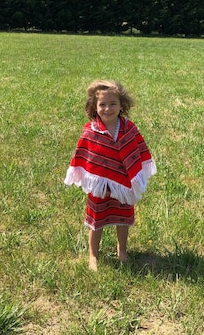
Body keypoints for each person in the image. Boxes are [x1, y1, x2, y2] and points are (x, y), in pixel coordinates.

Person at [64, 80, 156, 270]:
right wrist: (96, 182)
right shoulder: (91, 131)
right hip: (99, 190)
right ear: (94, 106)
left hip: (123, 187)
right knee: (96, 222)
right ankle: (93, 255)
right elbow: (85, 157)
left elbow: (137, 152)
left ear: (121, 104)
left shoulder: (129, 129)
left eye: (113, 104)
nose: (108, 108)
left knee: (123, 219)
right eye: (102, 104)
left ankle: (122, 250)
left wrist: (133, 178)